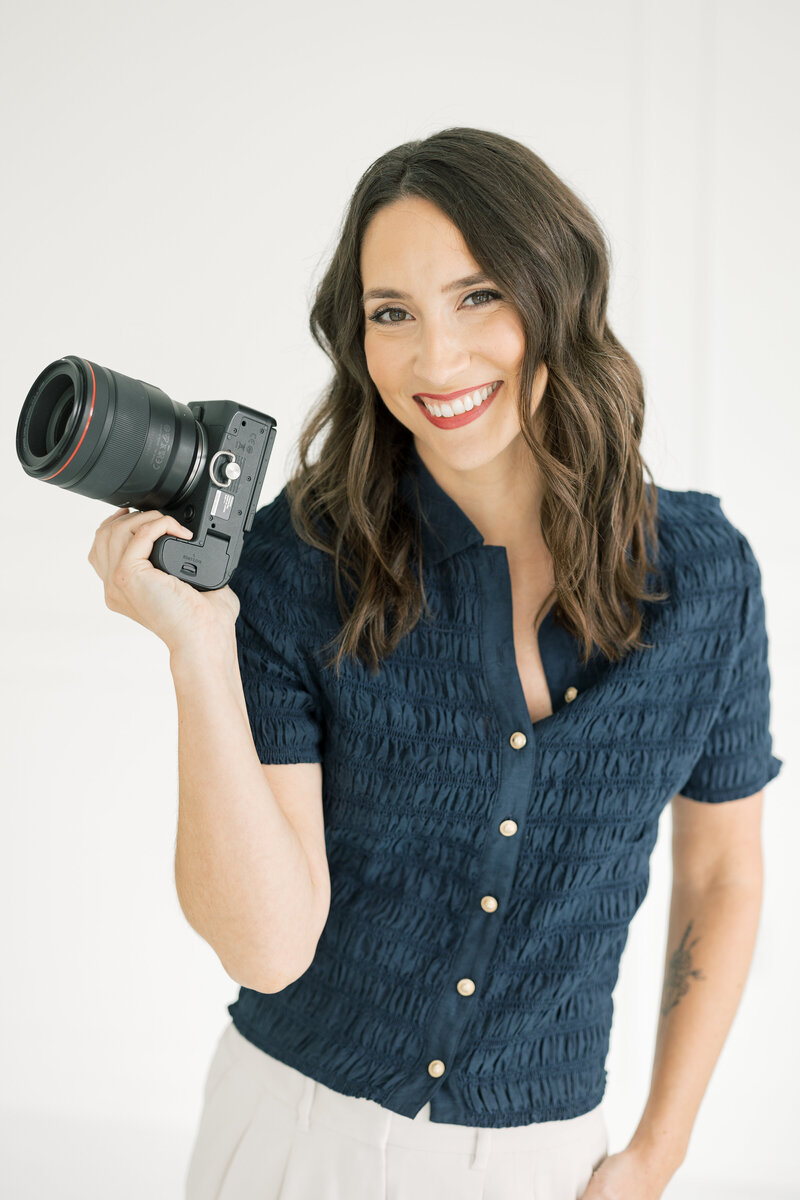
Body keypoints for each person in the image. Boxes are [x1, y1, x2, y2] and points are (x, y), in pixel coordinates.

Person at [89, 127, 783, 1200]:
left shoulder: (703, 579)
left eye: (476, 298)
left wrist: (659, 1147)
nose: (435, 360)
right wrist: (196, 649)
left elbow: (720, 872)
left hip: (547, 1162)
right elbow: (268, 948)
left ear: (556, 298)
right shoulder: (294, 565)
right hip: (292, 1143)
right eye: (391, 314)